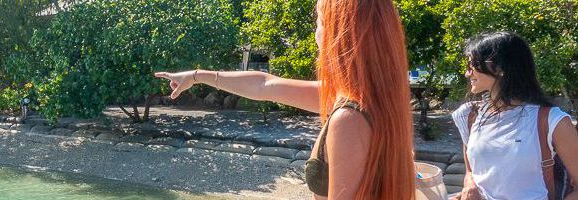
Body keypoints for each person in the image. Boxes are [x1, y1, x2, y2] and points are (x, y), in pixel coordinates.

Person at [154, 0, 414, 198]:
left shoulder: (349, 119)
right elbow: (264, 84)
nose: (316, 33)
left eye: (320, 21)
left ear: (341, 32)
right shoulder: (373, 100)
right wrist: (197, 76)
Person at [451, 32, 578, 200]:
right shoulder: (470, 116)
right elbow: (471, 171)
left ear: (500, 68)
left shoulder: (551, 120)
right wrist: (469, 185)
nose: (467, 73)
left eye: (472, 65)